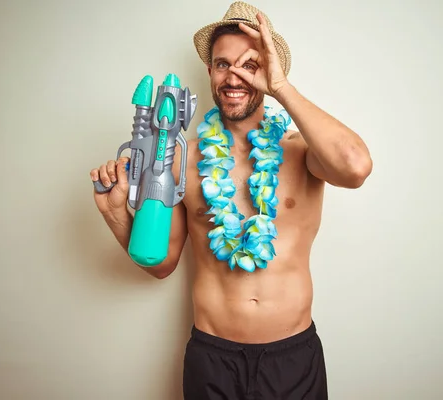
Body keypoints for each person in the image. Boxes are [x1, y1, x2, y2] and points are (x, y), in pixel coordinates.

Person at [89, 2, 372, 399]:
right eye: (223, 64)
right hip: (212, 359)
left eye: (249, 64)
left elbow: (356, 167)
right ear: (209, 72)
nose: (233, 76)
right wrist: (116, 212)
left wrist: (282, 89)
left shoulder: (302, 151)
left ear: (271, 71)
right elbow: (161, 264)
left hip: (293, 359)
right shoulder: (180, 161)